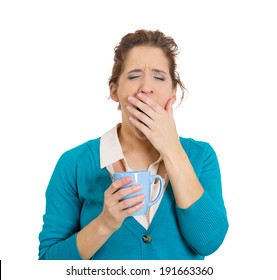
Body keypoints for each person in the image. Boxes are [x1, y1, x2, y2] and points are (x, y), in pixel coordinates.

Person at [38, 29, 228, 260]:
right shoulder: (74, 163)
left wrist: (171, 149)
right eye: (133, 75)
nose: (146, 88)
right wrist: (104, 224)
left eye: (159, 77)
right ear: (114, 90)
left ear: (173, 92)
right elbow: (49, 263)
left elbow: (208, 242)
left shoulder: (201, 156)